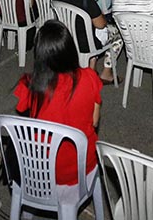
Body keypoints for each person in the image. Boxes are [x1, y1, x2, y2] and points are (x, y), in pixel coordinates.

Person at [13, 20, 102, 185]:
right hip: (83, 165)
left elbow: (26, 113)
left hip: (41, 169)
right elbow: (94, 121)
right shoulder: (90, 77)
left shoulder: (29, 84)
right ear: (70, 49)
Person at [52, 0, 115, 83]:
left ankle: (91, 66)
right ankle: (105, 72)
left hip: (65, 40)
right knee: (116, 34)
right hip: (85, 44)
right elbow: (101, 25)